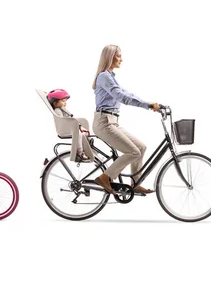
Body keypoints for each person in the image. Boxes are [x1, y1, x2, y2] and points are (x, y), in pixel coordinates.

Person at [91, 44, 160, 195]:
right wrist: (147, 105)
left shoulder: (110, 77)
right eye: (119, 55)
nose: (121, 59)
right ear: (110, 57)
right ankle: (105, 177)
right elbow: (121, 97)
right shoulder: (104, 76)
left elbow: (127, 93)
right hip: (104, 122)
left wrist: (149, 103)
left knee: (140, 148)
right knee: (133, 152)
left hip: (112, 122)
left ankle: (135, 184)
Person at [48, 88, 90, 162]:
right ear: (55, 103)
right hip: (65, 129)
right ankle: (79, 153)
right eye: (63, 101)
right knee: (79, 135)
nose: (65, 103)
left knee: (84, 134)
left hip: (70, 127)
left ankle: (87, 149)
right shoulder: (57, 111)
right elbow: (62, 120)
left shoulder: (62, 109)